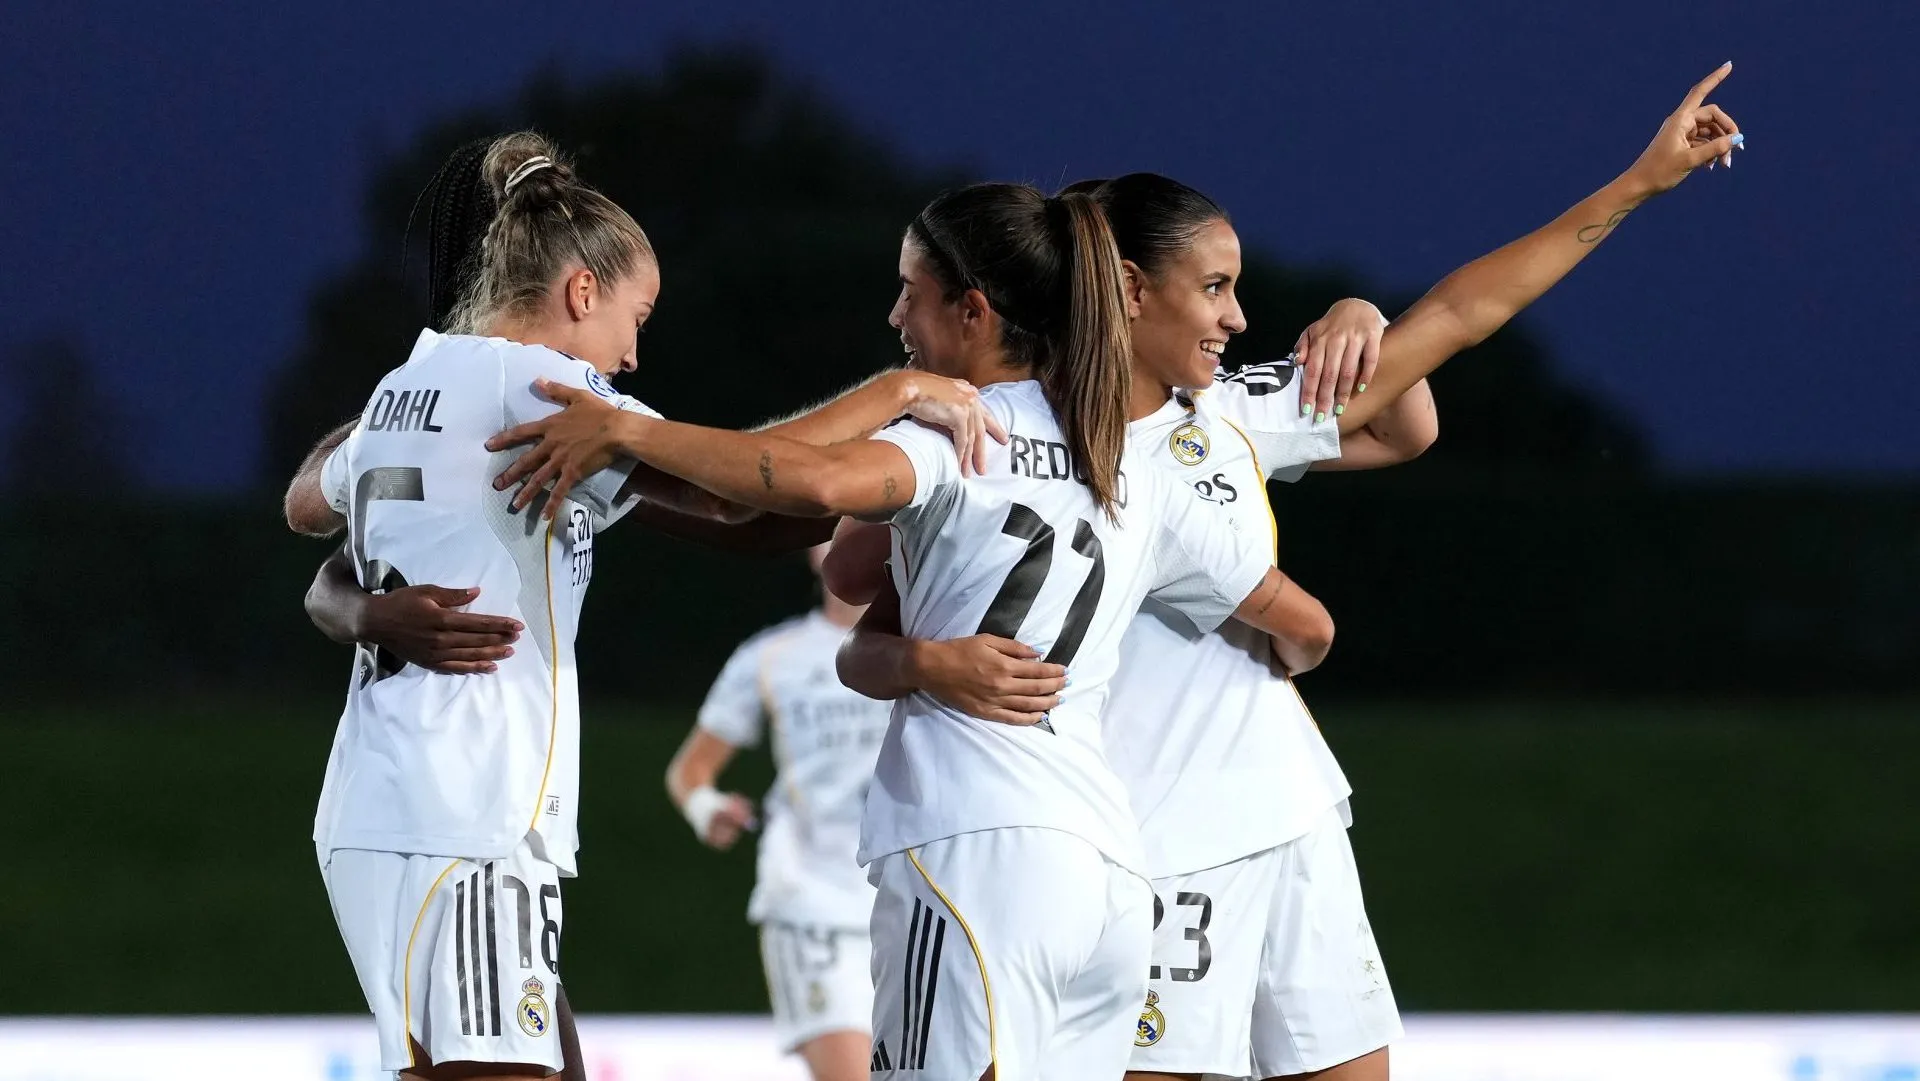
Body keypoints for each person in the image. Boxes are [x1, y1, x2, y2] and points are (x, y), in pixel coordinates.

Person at [827, 64, 1745, 1081]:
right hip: (1153, 836)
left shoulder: (1221, 413)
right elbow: (864, 589)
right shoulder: (1008, 437)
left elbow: (1453, 325)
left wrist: (1633, 185)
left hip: (1290, 812)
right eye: (1214, 288)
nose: (1237, 316)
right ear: (1127, 290)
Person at [480, 181, 1339, 1081]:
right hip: (1109, 876)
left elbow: (806, 486)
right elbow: (1306, 622)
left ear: (973, 311)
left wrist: (624, 432)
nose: (896, 312)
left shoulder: (957, 436)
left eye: (912, 293)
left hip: (974, 848)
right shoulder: (1130, 454)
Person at [279, 131, 998, 1081]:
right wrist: (900, 391)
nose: (629, 354)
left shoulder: (401, 390)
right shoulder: (549, 389)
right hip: (462, 799)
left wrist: (361, 603)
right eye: (635, 317)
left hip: (407, 796)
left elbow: (303, 505)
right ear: (582, 292)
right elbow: (747, 486)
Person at [663, 543, 893, 1081]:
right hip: (811, 906)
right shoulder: (772, 656)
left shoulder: (937, 651)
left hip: (912, 905)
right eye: (829, 524)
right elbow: (689, 771)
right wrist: (706, 807)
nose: (843, 534)